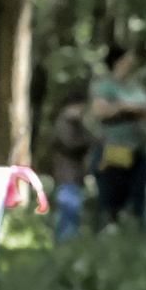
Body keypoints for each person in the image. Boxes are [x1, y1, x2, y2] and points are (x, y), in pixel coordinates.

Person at [86, 44, 146, 230]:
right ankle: (109, 230)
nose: (132, 63)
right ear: (117, 62)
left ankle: (136, 231)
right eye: (128, 59)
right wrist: (124, 108)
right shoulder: (104, 86)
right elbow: (100, 111)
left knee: (138, 193)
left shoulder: (137, 88)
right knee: (113, 194)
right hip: (115, 148)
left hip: (139, 148)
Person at [49, 92, 92, 240]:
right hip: (67, 175)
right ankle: (64, 241)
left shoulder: (76, 125)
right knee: (68, 211)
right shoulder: (65, 124)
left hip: (75, 175)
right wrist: (90, 141)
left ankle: (70, 241)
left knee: (74, 212)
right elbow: (71, 144)